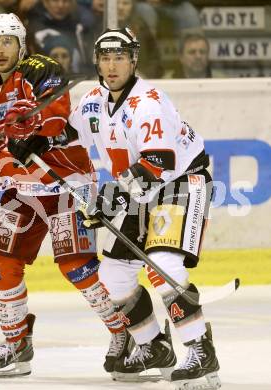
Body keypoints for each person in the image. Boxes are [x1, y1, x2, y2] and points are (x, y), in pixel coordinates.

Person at [0, 13, 128, 378]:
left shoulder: (41, 69)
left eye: (8, 42)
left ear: (21, 45)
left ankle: (125, 334)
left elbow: (53, 117)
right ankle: (16, 345)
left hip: (64, 182)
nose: (1, 50)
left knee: (77, 267)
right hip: (21, 190)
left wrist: (27, 128)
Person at [68, 28, 221, 389]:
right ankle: (154, 345)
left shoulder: (148, 101)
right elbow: (66, 135)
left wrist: (116, 198)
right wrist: (35, 139)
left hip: (182, 182)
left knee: (165, 264)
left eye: (119, 57)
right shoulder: (93, 100)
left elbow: (158, 161)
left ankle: (201, 350)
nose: (111, 65)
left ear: (133, 60)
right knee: (114, 276)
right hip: (143, 191)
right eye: (105, 58)